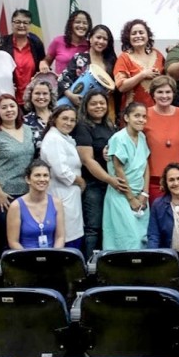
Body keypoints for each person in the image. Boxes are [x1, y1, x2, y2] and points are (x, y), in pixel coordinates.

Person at [0, 94, 36, 259]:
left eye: (12, 106)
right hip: (3, 196)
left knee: (24, 236)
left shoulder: (27, 130)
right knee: (4, 238)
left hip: (26, 194)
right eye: (4, 107)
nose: (9, 110)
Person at [74, 91, 126, 258]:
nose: (98, 106)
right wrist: (110, 179)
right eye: (93, 103)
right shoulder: (83, 127)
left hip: (110, 184)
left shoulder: (110, 126)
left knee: (109, 226)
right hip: (94, 184)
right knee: (93, 227)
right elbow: (87, 161)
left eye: (102, 103)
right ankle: (91, 264)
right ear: (86, 107)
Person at [103, 103, 151, 250]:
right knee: (128, 241)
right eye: (137, 116)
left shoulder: (142, 137)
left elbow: (145, 165)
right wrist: (131, 198)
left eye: (144, 116)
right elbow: (118, 169)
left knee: (142, 240)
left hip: (140, 197)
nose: (141, 120)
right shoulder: (119, 138)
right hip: (122, 196)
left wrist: (144, 193)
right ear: (126, 118)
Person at [40, 106, 85, 248]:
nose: (69, 123)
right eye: (64, 119)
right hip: (62, 194)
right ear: (54, 119)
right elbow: (62, 171)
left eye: (72, 120)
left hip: (70, 195)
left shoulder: (62, 137)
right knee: (66, 238)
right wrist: (80, 181)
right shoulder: (54, 139)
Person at [142, 76, 179, 204]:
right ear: (153, 94)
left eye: (168, 92)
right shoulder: (144, 114)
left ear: (173, 93)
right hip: (155, 179)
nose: (164, 96)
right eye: (160, 92)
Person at [6, 160, 65, 250]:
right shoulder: (16, 206)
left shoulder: (57, 203)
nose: (42, 179)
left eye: (45, 175)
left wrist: (54, 256)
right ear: (28, 179)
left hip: (52, 258)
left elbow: (60, 237)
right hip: (25, 258)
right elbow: (13, 242)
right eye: (37, 175)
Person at [57, 24, 118, 111]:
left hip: (99, 110)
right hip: (73, 107)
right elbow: (63, 79)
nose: (101, 41)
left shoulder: (112, 61)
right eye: (98, 37)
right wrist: (71, 96)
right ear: (90, 38)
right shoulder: (80, 58)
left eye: (105, 39)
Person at [114, 19, 164, 110]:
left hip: (157, 109)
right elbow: (121, 87)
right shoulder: (124, 58)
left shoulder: (158, 55)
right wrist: (143, 75)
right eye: (134, 33)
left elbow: (167, 79)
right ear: (128, 38)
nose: (138, 36)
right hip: (133, 112)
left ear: (148, 36)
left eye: (141, 32)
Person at [0, 9, 46, 102]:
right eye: (18, 22)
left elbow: (42, 65)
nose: (21, 25)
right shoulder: (2, 44)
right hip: (8, 98)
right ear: (12, 24)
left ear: (30, 25)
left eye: (25, 23)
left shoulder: (36, 43)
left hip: (32, 98)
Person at [39, 9, 92, 75]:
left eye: (85, 23)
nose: (81, 26)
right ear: (71, 24)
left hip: (83, 85)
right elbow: (46, 61)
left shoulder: (91, 46)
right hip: (60, 84)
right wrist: (43, 64)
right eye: (78, 22)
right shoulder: (58, 41)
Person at [23, 79, 55, 143]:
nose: (41, 97)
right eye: (37, 93)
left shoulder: (59, 116)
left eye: (45, 93)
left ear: (50, 96)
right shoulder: (24, 121)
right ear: (30, 96)